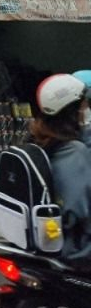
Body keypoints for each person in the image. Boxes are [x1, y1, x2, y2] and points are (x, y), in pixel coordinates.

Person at [31, 73, 91, 268]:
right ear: (73, 111)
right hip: (75, 249)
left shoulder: (40, 142)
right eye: (84, 105)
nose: (86, 110)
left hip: (48, 238)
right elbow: (78, 210)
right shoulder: (74, 152)